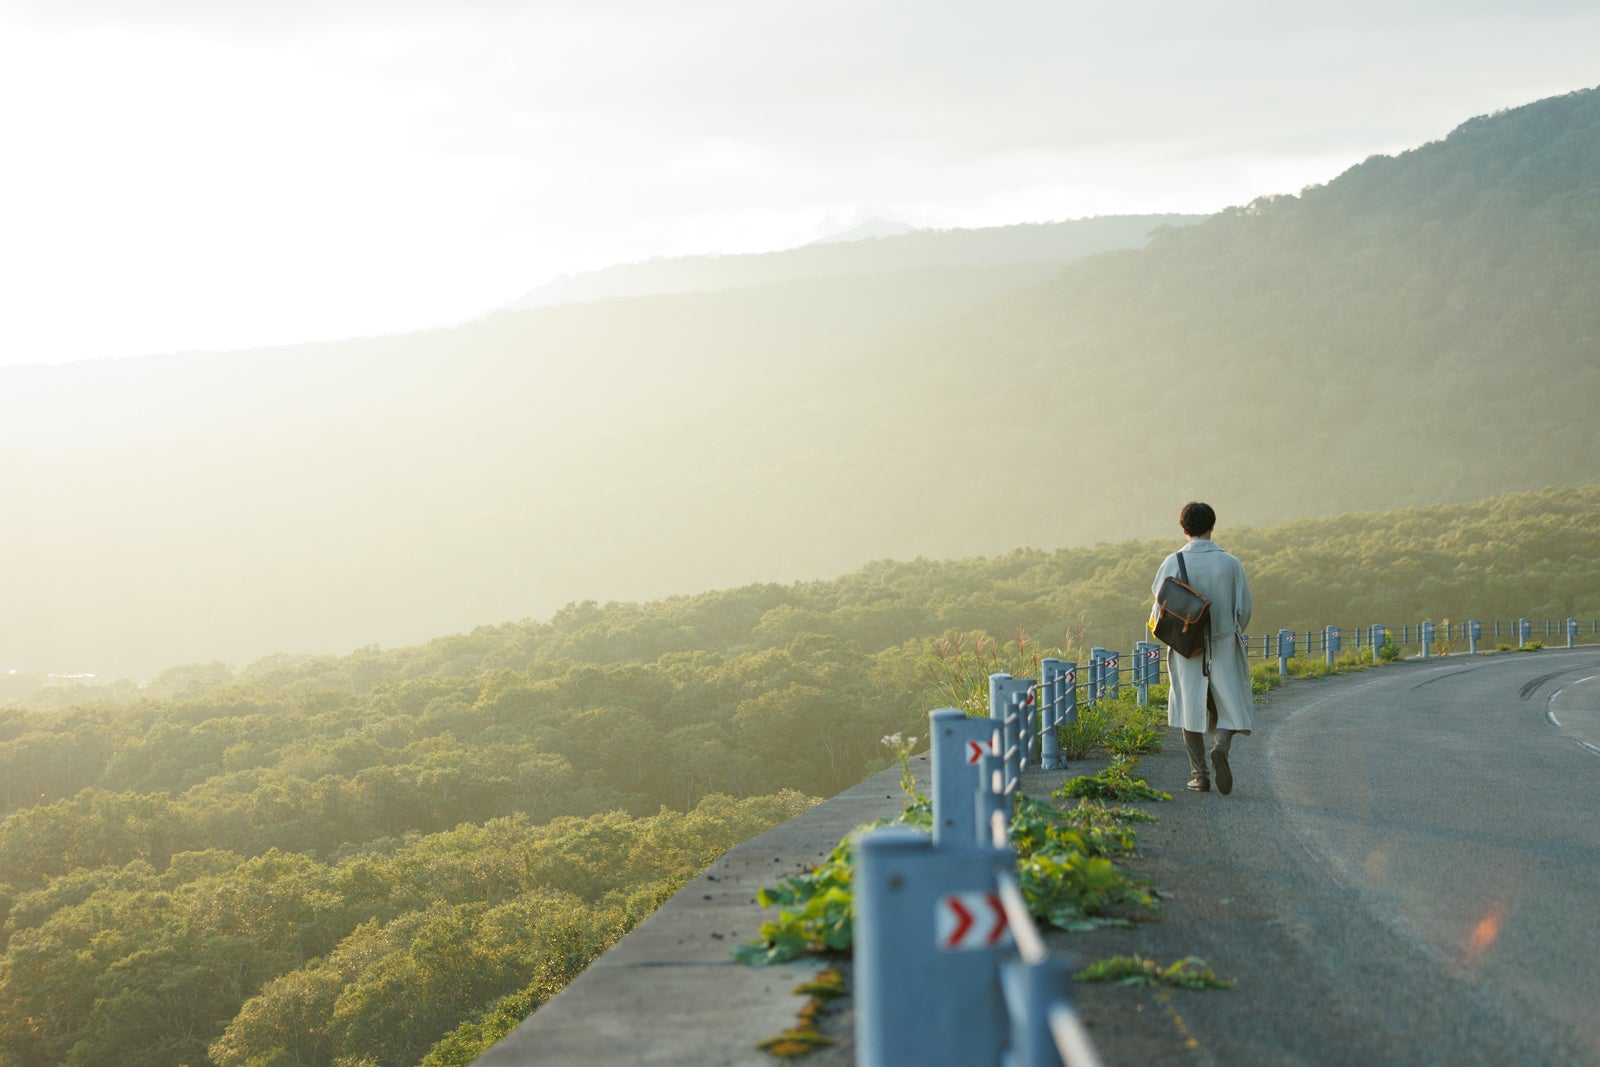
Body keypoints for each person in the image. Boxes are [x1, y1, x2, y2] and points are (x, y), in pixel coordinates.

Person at [1150, 501, 1254, 794]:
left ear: (1184, 529)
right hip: (1224, 642)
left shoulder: (1173, 562)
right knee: (1232, 702)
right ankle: (1220, 746)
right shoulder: (1231, 563)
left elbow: (1158, 610)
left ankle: (1199, 775)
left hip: (1186, 646)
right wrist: (1230, 631)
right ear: (1212, 525)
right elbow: (1244, 610)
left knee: (1189, 707)